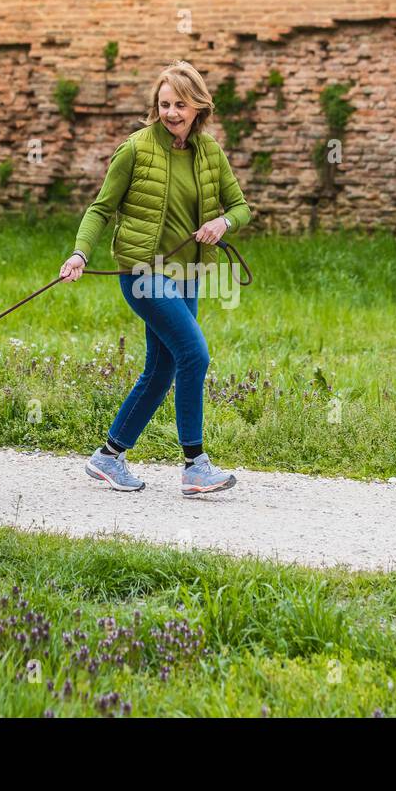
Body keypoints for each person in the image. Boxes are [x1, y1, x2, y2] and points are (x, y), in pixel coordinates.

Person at [59, 60, 252, 497]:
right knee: (194, 354)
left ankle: (108, 456)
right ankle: (195, 465)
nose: (170, 113)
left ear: (197, 106)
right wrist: (79, 253)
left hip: (188, 274)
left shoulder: (209, 153)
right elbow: (101, 209)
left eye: (179, 104)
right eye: (164, 104)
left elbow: (241, 206)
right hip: (143, 273)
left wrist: (223, 224)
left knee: (161, 369)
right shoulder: (136, 149)